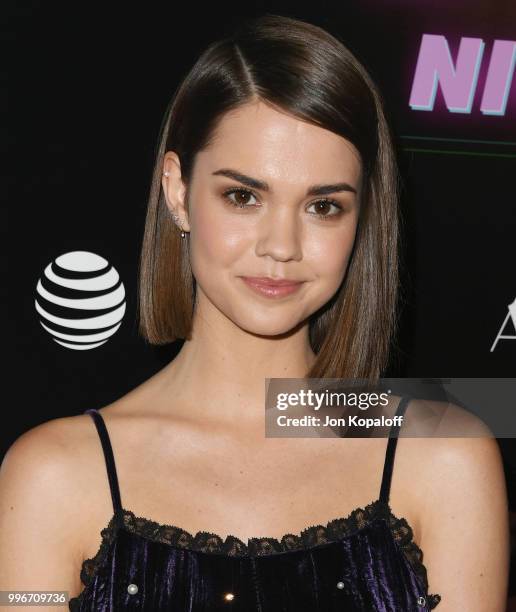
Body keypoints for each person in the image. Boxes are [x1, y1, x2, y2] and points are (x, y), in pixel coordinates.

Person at [0, 13, 510, 612]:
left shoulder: (444, 456)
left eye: (323, 206)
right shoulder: (53, 476)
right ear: (177, 191)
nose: (282, 246)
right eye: (243, 196)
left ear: (363, 218)